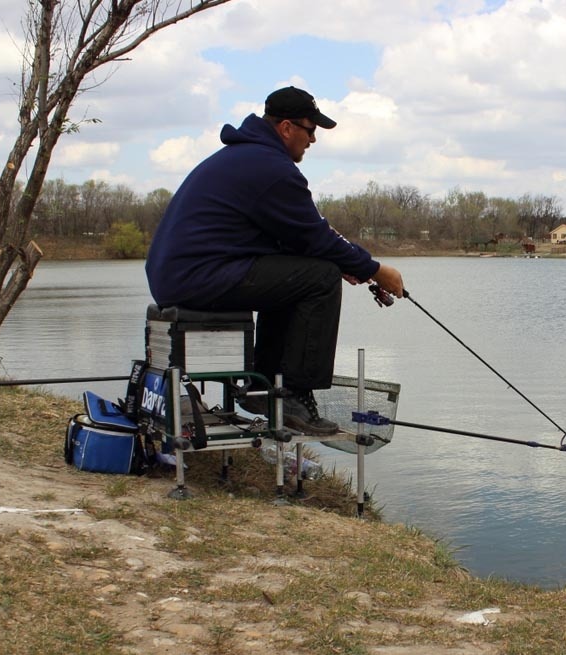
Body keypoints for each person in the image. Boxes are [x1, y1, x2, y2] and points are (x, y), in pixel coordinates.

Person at [145, 86, 404, 435]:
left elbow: (294, 239)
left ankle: (263, 386)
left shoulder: (247, 157)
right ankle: (293, 393)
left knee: (301, 275)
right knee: (321, 277)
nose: (312, 140)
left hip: (183, 274)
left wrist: (349, 263)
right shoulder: (272, 168)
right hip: (197, 277)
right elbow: (316, 235)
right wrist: (374, 269)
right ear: (286, 128)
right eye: (310, 130)